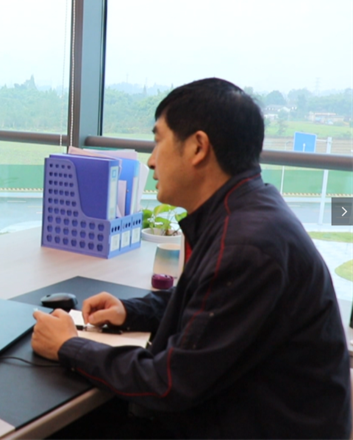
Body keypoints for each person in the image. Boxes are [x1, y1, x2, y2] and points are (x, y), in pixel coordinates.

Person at [32, 78, 351, 438]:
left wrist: (69, 347)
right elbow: (205, 302)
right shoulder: (248, 210)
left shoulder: (246, 246)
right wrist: (131, 311)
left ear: (198, 147)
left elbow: (169, 383)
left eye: (159, 141)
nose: (151, 160)